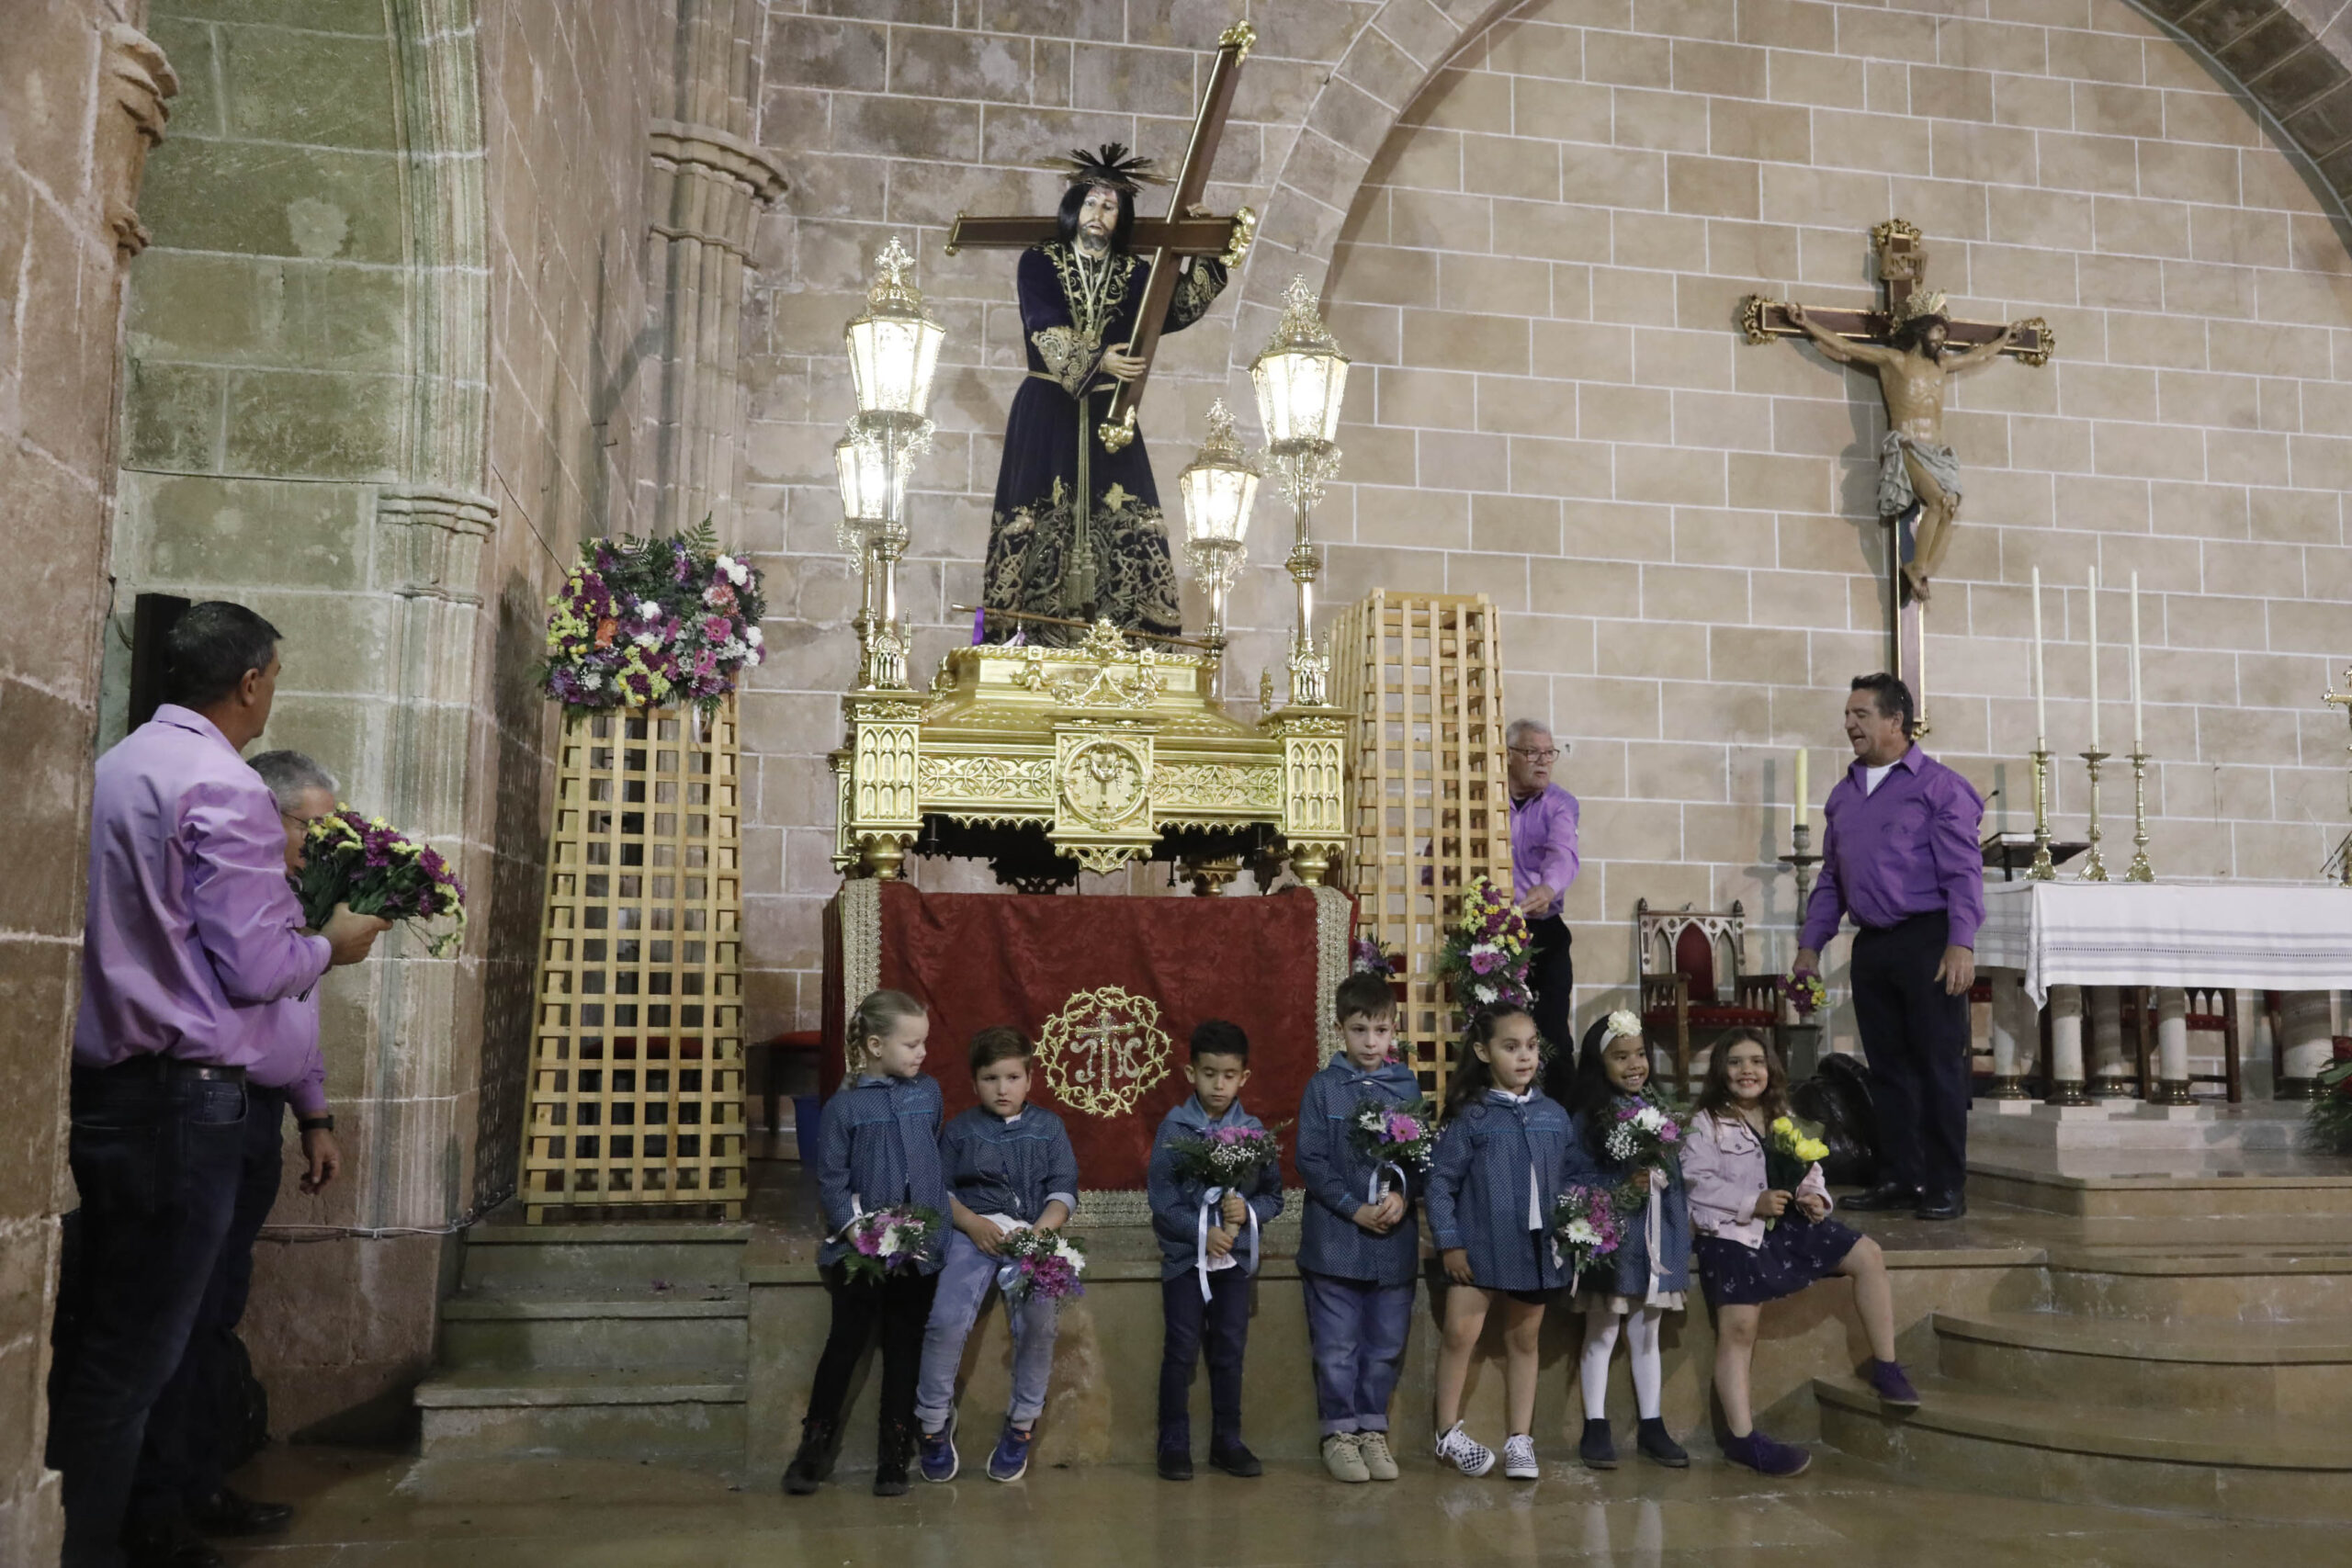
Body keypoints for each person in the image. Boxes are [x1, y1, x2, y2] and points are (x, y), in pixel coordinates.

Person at [51, 602, 387, 1568]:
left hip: (107, 1089)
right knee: (145, 1354)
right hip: (186, 1100)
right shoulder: (226, 786)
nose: (272, 694)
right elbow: (253, 968)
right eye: (274, 678)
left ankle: (93, 1528)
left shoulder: (115, 769)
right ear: (250, 683)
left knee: (110, 1339)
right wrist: (334, 944)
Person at [129, 751, 346, 1554]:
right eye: (310, 825)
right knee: (183, 1316)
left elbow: (296, 1021)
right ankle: (160, 1508)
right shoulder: (234, 894)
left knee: (217, 1311)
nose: (319, 842)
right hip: (210, 1107)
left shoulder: (288, 895)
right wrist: (331, 946)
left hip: (259, 1116)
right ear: (267, 814)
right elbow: (255, 990)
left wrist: (315, 1113)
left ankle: (200, 1482)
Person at [981, 142, 1230, 639]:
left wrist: (1203, 247)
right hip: (1048, 404)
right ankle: (1024, 634)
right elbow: (1043, 324)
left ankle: (1126, 636)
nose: (1099, 214)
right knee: (1033, 512)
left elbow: (1173, 310)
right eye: (1092, 202)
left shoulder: (1136, 271)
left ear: (1123, 216)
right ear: (1075, 208)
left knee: (1125, 510)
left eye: (1111, 206)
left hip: (1111, 413)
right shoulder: (1040, 261)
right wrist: (1098, 362)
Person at [1681, 1031, 1917, 1477]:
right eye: (1735, 1062)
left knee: (1868, 1255)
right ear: (1720, 1071)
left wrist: (1815, 1199)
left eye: (1756, 1061)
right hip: (1733, 1232)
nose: (1747, 1071)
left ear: (1770, 1069)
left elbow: (1811, 1169)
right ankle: (1743, 1438)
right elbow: (1698, 1184)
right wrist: (1752, 1202)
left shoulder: (1782, 1116)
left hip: (1787, 1224)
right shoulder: (1706, 1122)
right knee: (1739, 1326)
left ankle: (1885, 1366)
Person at [1794, 673, 1984, 1222]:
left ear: (1895, 721)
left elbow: (1963, 874)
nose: (1849, 724)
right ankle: (1902, 1177)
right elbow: (1832, 879)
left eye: (1861, 714)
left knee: (1938, 1068)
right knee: (1890, 1070)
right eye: (1848, 714)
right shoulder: (1844, 794)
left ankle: (1946, 1183)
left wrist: (1960, 943)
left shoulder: (1940, 788)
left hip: (1927, 939)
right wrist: (1810, 947)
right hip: (1874, 945)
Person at [785, 990, 947, 1498]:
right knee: (845, 1345)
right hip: (863, 1249)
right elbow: (831, 1180)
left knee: (905, 1349)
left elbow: (930, 1161)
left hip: (918, 1249)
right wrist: (860, 1234)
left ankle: (894, 1453)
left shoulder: (929, 1094)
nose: (922, 1053)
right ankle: (814, 1446)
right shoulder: (844, 1108)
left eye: (924, 1043)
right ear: (875, 1045)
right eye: (911, 1043)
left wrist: (921, 1228)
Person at [914, 1025, 1080, 1485]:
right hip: (974, 1233)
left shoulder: (1049, 1128)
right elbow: (939, 1190)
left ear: (1029, 1079)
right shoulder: (961, 1130)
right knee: (946, 1318)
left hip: (1032, 1234)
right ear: (974, 1083)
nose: (1002, 1089)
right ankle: (932, 1420)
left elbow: (1064, 1188)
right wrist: (970, 1223)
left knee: (1040, 1321)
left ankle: (1022, 1422)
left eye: (1011, 1077)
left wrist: (1040, 1232)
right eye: (990, 1079)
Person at [1425, 1005, 1574, 1482]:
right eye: (1511, 1047)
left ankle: (1520, 1439)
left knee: (1524, 1339)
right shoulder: (1472, 1117)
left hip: (1535, 1250)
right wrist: (1450, 1242)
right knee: (1459, 1335)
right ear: (1483, 1052)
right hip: (1478, 1249)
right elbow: (1440, 1183)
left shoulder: (1553, 1115)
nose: (1525, 1056)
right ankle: (1447, 1433)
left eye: (1531, 1046)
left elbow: (1572, 1178)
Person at [1293, 973, 1421, 1484]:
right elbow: (1311, 1159)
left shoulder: (1405, 1084)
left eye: (1382, 1030)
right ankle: (1339, 1433)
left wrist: (1401, 1194)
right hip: (1336, 1241)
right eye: (1360, 1029)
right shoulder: (1323, 1089)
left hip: (1393, 1242)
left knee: (1386, 1343)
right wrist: (1353, 1207)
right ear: (1339, 1029)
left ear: (1394, 1030)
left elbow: (1420, 1156)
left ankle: (1373, 1429)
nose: (1372, 1042)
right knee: (1337, 1346)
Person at [1147, 1019, 1283, 1482]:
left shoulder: (1254, 1131)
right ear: (1190, 1073)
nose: (1218, 1084)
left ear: (1244, 1077)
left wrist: (1245, 1210)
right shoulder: (1175, 1129)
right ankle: (1172, 1441)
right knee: (1181, 1348)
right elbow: (1163, 1202)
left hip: (1234, 1264)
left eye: (1228, 1075)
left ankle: (1227, 1439)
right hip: (1188, 1263)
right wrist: (1200, 1232)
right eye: (1208, 1074)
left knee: (1229, 1349)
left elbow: (1274, 1196)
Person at [1561, 1011, 1692, 1472]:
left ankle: (1652, 1425)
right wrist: (1621, 1187)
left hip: (1657, 1236)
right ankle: (1595, 1425)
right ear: (1601, 1064)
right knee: (1602, 1330)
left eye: (1639, 1054)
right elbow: (1574, 1176)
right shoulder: (1590, 1116)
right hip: (1617, 1240)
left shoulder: (1659, 1108)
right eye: (1621, 1057)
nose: (1634, 1064)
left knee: (1646, 1333)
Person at [1505, 718, 1581, 1081]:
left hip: (1544, 931)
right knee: (1496, 1029)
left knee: (1553, 1035)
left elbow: (1563, 852)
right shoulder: (1480, 799)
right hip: (1496, 935)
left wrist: (1549, 888)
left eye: (1549, 753)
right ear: (1507, 756)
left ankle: (1562, 1121)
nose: (1543, 761)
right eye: (1532, 752)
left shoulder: (1561, 803)